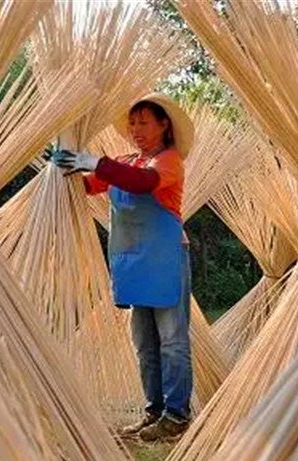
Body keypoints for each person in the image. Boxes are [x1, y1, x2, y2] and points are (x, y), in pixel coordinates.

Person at [53, 93, 194, 441]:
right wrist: (63, 171)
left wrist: (95, 161)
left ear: (164, 125)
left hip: (165, 259)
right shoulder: (126, 161)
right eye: (132, 122)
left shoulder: (169, 161)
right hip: (133, 261)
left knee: (172, 341)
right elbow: (89, 186)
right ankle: (154, 411)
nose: (136, 129)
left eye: (143, 122)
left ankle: (177, 416)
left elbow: (142, 183)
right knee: (145, 342)